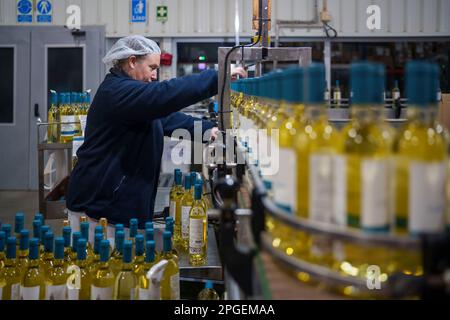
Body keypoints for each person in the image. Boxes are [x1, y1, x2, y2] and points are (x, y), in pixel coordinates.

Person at [66, 36, 245, 238]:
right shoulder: (116, 92)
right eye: (152, 67)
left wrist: (209, 130)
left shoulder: (131, 98)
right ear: (132, 61)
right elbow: (164, 95)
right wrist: (218, 77)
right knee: (108, 268)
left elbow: (166, 119)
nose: (154, 75)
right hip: (98, 213)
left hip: (114, 205)